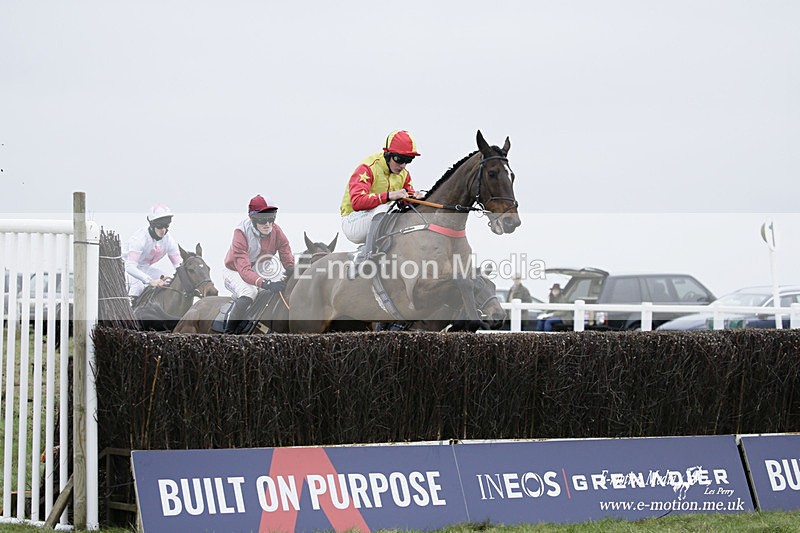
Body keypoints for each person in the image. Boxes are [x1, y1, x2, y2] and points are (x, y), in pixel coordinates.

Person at [340, 129, 425, 265]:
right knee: (384, 209)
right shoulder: (367, 168)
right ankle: (365, 256)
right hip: (353, 220)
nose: (402, 166)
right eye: (399, 159)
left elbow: (406, 203)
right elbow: (357, 202)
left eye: (408, 160)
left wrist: (417, 199)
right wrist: (390, 196)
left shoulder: (404, 175)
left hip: (376, 219)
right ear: (387, 154)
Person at [222, 194, 295, 334]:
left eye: (271, 219)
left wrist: (292, 271)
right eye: (263, 220)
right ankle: (228, 334)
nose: (268, 224)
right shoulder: (240, 233)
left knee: (280, 285)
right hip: (235, 271)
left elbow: (286, 254)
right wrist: (266, 283)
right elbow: (244, 270)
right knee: (250, 292)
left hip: (258, 269)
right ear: (253, 219)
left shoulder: (277, 231)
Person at [124, 203, 182, 298]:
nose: (163, 230)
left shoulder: (168, 240)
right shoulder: (139, 239)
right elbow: (129, 267)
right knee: (137, 286)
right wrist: (150, 281)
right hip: (126, 269)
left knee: (167, 282)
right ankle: (130, 309)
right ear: (152, 224)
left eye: (166, 226)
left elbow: (179, 265)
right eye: (160, 226)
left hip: (143, 268)